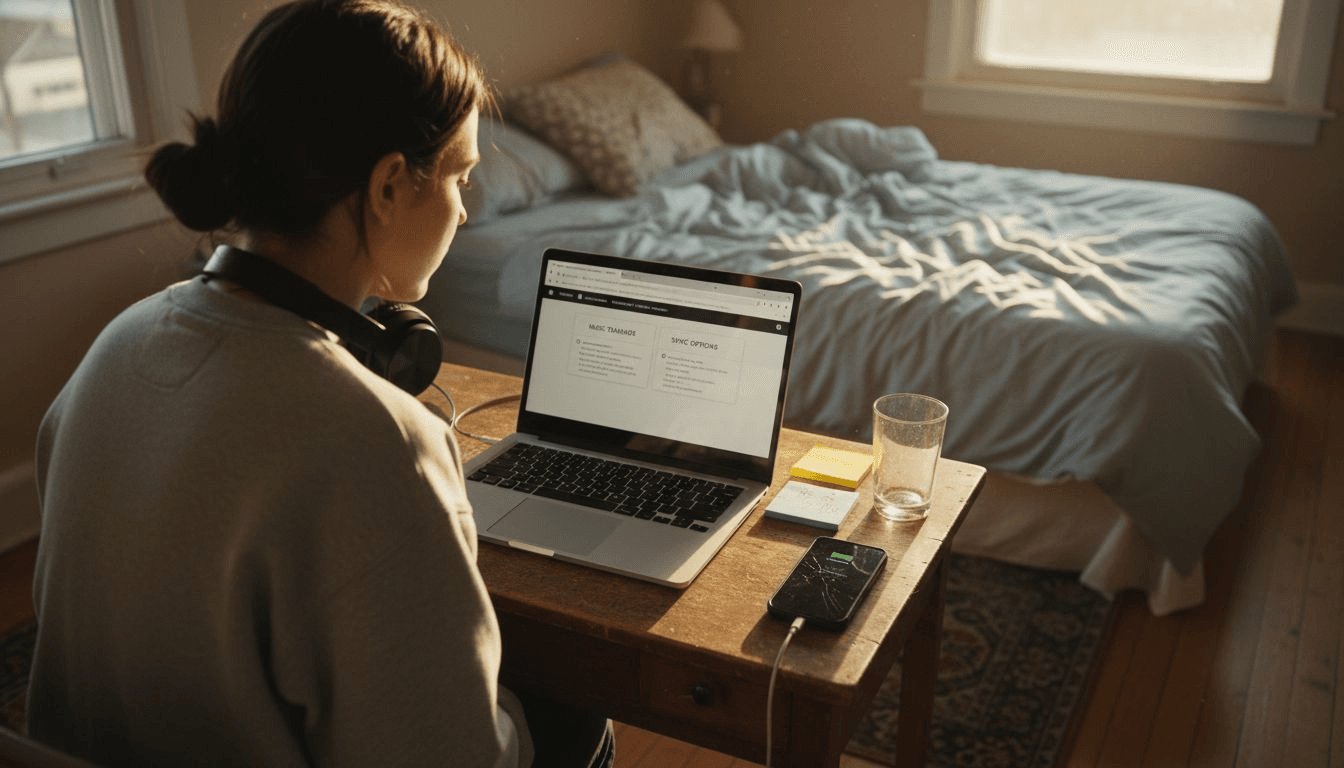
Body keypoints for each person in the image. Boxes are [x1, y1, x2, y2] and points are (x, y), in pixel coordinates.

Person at [27, 1, 612, 766]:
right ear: (391, 185)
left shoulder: (116, 344)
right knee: (576, 714)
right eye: (461, 177)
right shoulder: (378, 443)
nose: (465, 211)